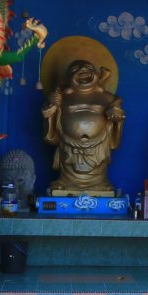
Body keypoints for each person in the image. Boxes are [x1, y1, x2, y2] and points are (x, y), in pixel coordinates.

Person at [42, 59, 125, 194]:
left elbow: (117, 118)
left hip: (98, 147)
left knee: (98, 171)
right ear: (68, 78)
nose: (83, 71)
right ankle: (65, 183)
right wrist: (52, 106)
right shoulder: (62, 97)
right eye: (75, 70)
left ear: (97, 76)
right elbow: (51, 132)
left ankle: (99, 183)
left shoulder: (109, 98)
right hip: (69, 147)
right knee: (67, 173)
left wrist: (116, 117)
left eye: (88, 68)